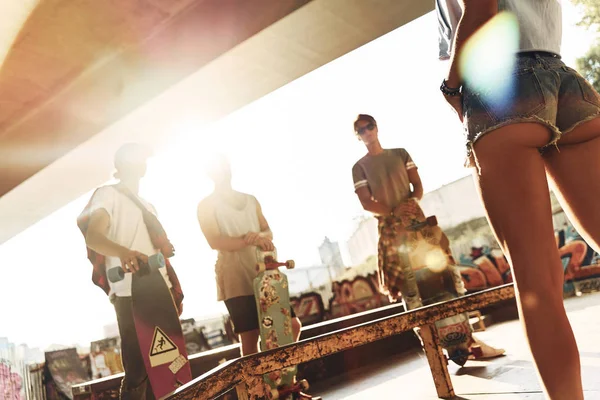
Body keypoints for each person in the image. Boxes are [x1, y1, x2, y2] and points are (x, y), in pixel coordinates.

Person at [437, 1, 600, 398]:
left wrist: (451, 86)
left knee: (539, 285)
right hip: (566, 81)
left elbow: (481, 12)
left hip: (501, 88)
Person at [351, 114, 504, 363]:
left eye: (370, 127)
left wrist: (410, 203)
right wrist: (393, 211)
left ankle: (470, 342)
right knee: (410, 292)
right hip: (392, 231)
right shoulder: (359, 167)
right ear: (357, 136)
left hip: (419, 225)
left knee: (448, 278)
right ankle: (434, 351)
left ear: (377, 128)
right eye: (361, 130)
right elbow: (366, 202)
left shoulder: (400, 154)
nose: (367, 132)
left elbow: (417, 186)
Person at [77, 143, 184, 400]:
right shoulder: (107, 194)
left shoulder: (148, 206)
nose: (143, 162)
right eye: (138, 158)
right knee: (137, 371)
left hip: (160, 288)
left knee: (172, 367)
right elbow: (93, 236)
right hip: (129, 291)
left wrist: (163, 250)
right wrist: (124, 252)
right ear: (122, 164)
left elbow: (150, 247)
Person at [197, 155, 301, 356]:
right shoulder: (206, 205)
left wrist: (258, 236)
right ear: (209, 174)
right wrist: (248, 239)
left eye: (224, 166)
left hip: (264, 271)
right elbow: (214, 241)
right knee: (250, 335)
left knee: (291, 325)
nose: (222, 171)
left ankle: (285, 381)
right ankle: (259, 386)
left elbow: (268, 232)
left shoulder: (250, 200)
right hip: (234, 275)